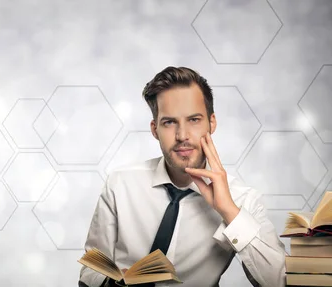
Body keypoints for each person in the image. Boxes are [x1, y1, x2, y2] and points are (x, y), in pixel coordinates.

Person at [78, 66, 287, 287]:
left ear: (212, 123)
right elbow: (90, 273)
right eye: (169, 122)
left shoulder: (244, 201)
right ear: (154, 129)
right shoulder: (120, 184)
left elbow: (279, 282)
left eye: (194, 120)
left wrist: (229, 211)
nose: (182, 136)